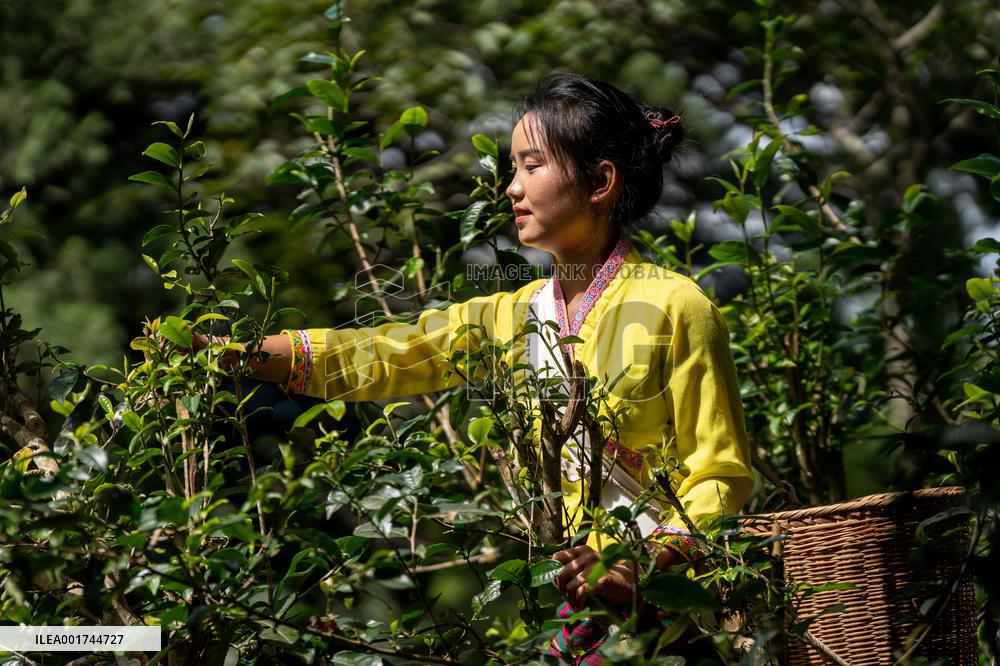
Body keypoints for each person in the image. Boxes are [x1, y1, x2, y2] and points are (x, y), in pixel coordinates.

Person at [194, 71, 753, 663]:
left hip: (666, 616)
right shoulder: (521, 314)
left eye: (532, 167)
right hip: (581, 611)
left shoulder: (677, 306)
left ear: (600, 181)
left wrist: (637, 565)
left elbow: (718, 474)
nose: (511, 188)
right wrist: (242, 353)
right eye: (512, 169)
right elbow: (393, 352)